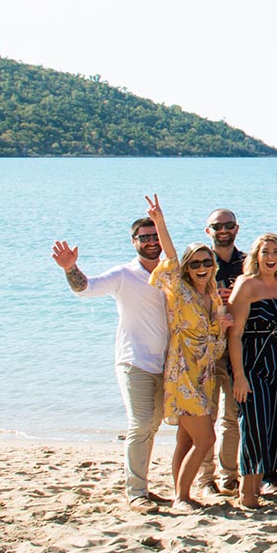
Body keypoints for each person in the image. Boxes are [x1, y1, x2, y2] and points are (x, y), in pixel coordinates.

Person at [53, 212, 170, 510]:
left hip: (168, 363)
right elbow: (85, 288)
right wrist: (70, 268)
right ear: (134, 242)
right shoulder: (123, 275)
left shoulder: (171, 273)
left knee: (152, 425)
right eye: (144, 237)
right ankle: (136, 493)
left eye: (155, 235)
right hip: (134, 361)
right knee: (141, 423)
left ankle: (142, 486)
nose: (151, 242)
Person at [136, 195, 230, 514]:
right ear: (187, 267)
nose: (202, 267)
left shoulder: (212, 296)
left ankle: (180, 493)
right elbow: (171, 256)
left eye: (207, 262)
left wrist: (222, 326)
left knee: (186, 441)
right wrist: (160, 221)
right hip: (182, 377)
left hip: (204, 378)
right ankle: (182, 497)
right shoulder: (179, 290)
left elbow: (215, 347)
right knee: (206, 442)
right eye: (196, 263)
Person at [226, 232, 277, 508]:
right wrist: (239, 375)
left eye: (276, 252)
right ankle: (246, 492)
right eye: (265, 252)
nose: (271, 257)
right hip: (254, 360)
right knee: (254, 425)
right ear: (256, 255)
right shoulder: (246, 285)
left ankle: (258, 487)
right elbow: (234, 335)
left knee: (274, 425)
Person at [203, 207, 245, 496]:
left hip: (236, 347)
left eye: (228, 225)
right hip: (205, 349)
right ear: (209, 231)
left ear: (236, 228)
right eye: (217, 226)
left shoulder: (247, 262)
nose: (223, 230)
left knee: (232, 417)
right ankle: (205, 478)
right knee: (205, 415)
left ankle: (230, 475)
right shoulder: (200, 261)